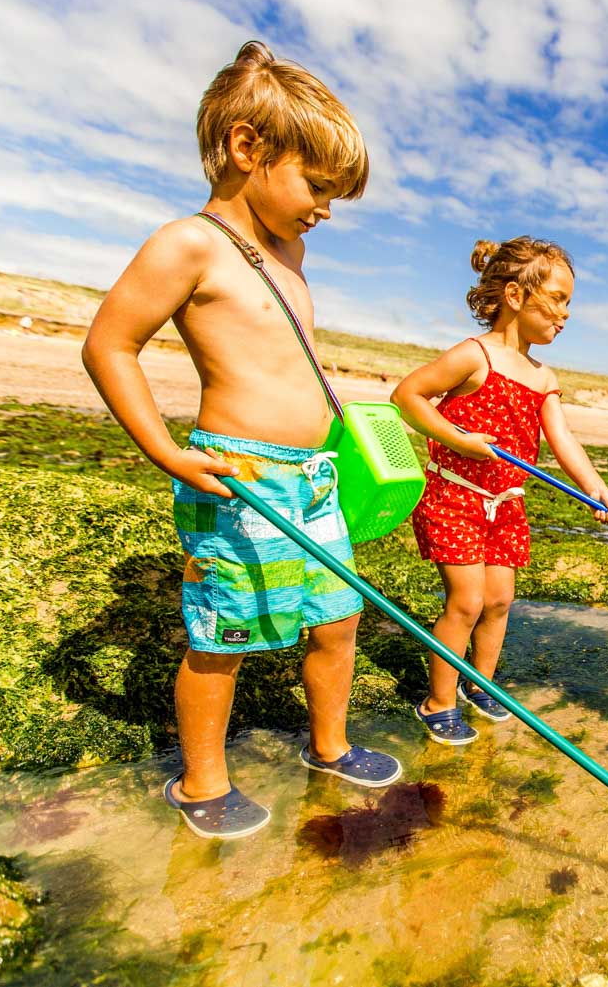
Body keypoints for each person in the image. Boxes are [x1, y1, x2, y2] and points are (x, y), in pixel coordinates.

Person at [82, 42, 397, 840]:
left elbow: (290, 358)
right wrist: (167, 450)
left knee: (335, 619)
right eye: (316, 186)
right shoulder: (187, 243)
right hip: (241, 473)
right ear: (247, 148)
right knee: (223, 633)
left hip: (316, 475)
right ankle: (202, 780)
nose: (324, 208)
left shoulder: (292, 253)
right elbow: (108, 345)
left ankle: (328, 744)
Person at [391, 237, 608, 745]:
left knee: (499, 601)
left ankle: (482, 684)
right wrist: (460, 440)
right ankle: (438, 701)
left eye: (569, 303)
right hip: (454, 496)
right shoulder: (474, 356)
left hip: (506, 505)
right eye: (557, 299)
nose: (565, 314)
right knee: (466, 602)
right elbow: (408, 395)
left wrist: (596, 487)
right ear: (515, 295)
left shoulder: (544, 377)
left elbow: (562, 439)